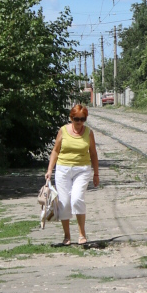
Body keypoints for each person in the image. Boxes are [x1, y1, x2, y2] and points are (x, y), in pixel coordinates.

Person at [44, 103, 100, 245]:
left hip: (82, 170)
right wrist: (50, 170)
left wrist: (96, 174)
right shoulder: (63, 131)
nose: (79, 122)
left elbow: (93, 153)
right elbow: (55, 150)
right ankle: (67, 235)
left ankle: (82, 234)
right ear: (71, 118)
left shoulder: (89, 133)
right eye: (76, 119)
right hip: (63, 170)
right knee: (64, 202)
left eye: (82, 119)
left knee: (77, 199)